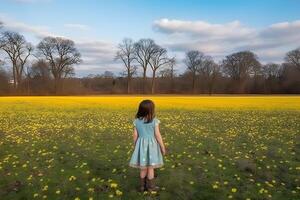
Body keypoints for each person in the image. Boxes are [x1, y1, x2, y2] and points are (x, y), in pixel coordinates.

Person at [129, 99, 166, 192]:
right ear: (151, 110)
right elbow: (157, 135)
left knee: (143, 168)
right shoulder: (154, 121)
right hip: (152, 147)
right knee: (150, 168)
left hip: (140, 145)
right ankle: (151, 187)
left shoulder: (136, 121)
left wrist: (135, 146)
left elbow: (135, 135)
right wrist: (162, 146)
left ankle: (142, 187)